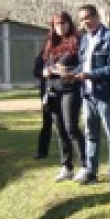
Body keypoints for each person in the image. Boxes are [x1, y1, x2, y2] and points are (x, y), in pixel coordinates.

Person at [70, 4, 110, 186]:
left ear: (96, 17)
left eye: (87, 18)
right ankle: (91, 172)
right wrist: (70, 73)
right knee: (91, 134)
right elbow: (82, 64)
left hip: (105, 93)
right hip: (87, 94)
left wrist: (89, 75)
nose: (85, 22)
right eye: (82, 19)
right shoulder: (84, 39)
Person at [41, 11, 86, 182]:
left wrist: (68, 71)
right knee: (59, 129)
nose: (61, 27)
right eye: (57, 24)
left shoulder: (78, 40)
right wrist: (46, 70)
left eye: (64, 23)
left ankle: (84, 165)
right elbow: (43, 64)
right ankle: (66, 166)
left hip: (70, 89)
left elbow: (83, 64)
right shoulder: (51, 42)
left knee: (71, 127)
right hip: (53, 90)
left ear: (69, 23)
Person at [32, 51, 53, 160]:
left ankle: (71, 152)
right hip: (47, 93)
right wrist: (42, 73)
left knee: (68, 126)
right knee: (47, 123)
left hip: (64, 91)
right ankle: (42, 151)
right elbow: (36, 71)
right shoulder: (43, 54)